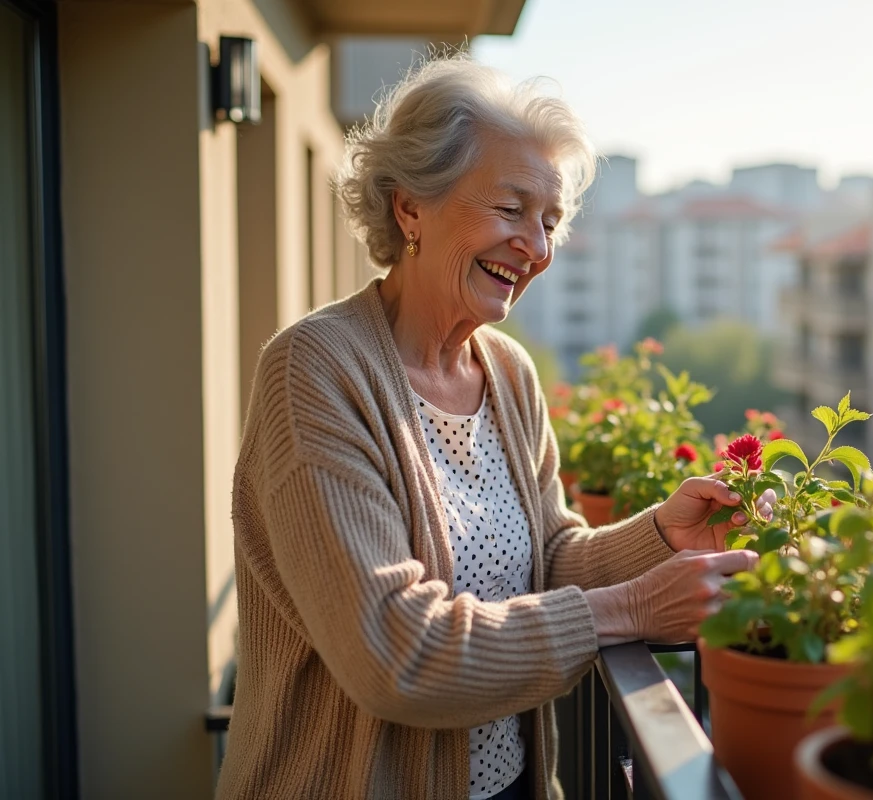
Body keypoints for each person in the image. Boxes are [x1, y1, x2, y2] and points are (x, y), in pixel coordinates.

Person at [215, 55, 773, 800]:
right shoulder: (315, 371)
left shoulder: (507, 373)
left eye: (549, 223)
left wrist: (662, 538)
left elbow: (545, 561)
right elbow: (392, 652)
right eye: (511, 211)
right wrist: (633, 608)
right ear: (410, 207)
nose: (537, 249)